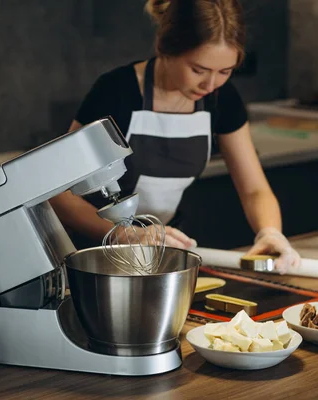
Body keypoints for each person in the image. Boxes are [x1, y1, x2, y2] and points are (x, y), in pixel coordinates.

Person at [49, 0, 301, 273]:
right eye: (198, 70)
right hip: (89, 255)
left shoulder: (221, 99)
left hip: (161, 254)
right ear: (165, 49)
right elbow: (58, 192)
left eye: (225, 72)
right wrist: (120, 234)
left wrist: (270, 233)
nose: (210, 84)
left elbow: (254, 189)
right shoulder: (116, 91)